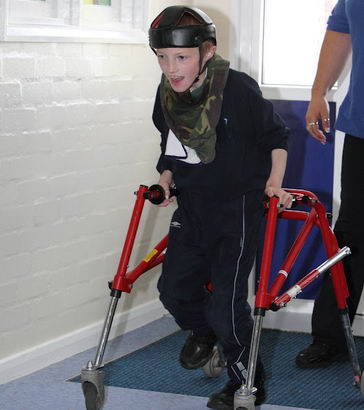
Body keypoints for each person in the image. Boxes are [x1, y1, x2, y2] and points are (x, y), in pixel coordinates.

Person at [149, 6, 292, 409]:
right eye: (162, 57)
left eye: (181, 57)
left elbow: (276, 136)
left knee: (227, 305)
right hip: (192, 208)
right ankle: (203, 331)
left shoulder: (238, 89)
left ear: (207, 51)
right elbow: (170, 148)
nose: (171, 68)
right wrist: (164, 180)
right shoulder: (166, 95)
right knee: (173, 291)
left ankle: (246, 384)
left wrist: (274, 183)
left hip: (237, 210)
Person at [296, 0, 364, 369]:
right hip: (362, 127)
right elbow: (340, 30)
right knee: (351, 234)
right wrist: (318, 91)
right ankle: (330, 336)